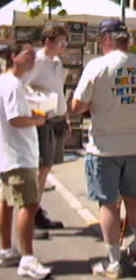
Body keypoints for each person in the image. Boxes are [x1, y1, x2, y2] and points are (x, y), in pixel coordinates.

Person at [71, 18, 136, 278]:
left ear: (107, 39)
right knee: (132, 197)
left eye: (101, 39)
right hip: (133, 144)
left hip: (104, 147)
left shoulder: (96, 66)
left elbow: (77, 106)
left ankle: (113, 262)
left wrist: (98, 102)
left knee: (108, 205)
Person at [0, 43, 52, 279]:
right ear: (13, 57)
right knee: (29, 205)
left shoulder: (8, 82)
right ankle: (27, 259)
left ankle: (6, 250)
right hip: (19, 155)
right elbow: (15, 119)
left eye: (33, 55)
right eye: (27, 55)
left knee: (8, 203)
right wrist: (37, 120)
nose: (32, 59)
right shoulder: (12, 85)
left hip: (8, 154)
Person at [24, 22, 70, 232]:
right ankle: (32, 212)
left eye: (65, 42)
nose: (64, 46)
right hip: (42, 119)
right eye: (61, 42)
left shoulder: (57, 62)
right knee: (41, 167)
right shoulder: (38, 61)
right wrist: (39, 102)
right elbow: (24, 87)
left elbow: (59, 90)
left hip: (56, 119)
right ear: (48, 41)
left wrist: (65, 116)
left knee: (47, 167)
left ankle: (36, 209)